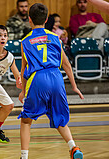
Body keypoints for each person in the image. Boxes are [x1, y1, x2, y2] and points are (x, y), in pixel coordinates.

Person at [18, 3, 84, 159]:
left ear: (29, 20)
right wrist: (74, 86)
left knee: (26, 120)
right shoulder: (55, 37)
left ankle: (24, 156)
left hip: (38, 78)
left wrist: (23, 91)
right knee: (59, 117)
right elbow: (67, 64)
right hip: (56, 77)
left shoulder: (25, 42)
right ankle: (73, 147)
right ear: (47, 19)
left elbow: (23, 70)